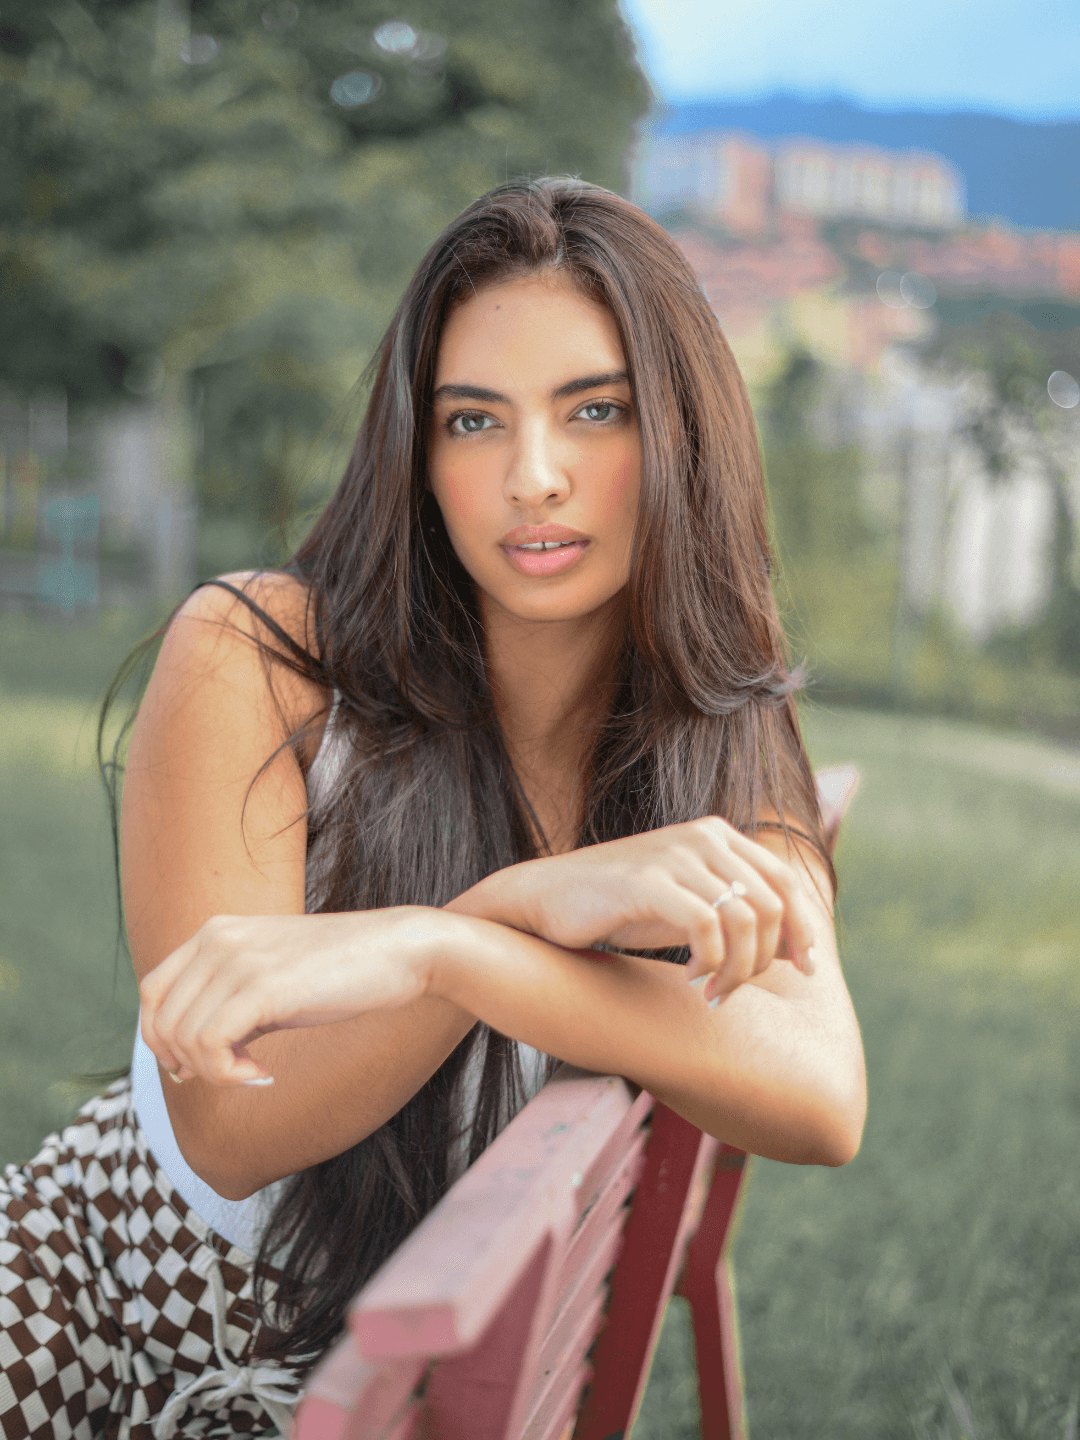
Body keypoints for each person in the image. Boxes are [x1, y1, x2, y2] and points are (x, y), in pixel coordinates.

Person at [0, 177, 866, 1439]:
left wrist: (451, 948)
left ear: (683, 434)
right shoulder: (264, 656)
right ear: (419, 453)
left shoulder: (709, 748)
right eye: (472, 421)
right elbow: (225, 1129)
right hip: (89, 1305)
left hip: (338, 1391)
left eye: (596, 410)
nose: (533, 477)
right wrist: (511, 911)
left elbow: (824, 1093)